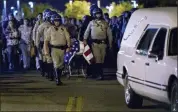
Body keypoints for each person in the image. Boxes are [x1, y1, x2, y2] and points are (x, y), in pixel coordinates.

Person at [83, 8, 113, 80]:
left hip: (103, 43)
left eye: (99, 13)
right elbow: (87, 32)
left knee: (102, 59)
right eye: (96, 13)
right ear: (94, 14)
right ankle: (100, 74)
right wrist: (85, 39)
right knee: (98, 58)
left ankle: (99, 73)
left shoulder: (105, 23)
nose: (98, 15)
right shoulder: (91, 23)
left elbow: (109, 34)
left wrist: (110, 43)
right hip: (95, 44)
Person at [44, 13, 71, 85]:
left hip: (62, 49)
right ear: (53, 21)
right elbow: (46, 41)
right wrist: (46, 52)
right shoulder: (50, 29)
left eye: (58, 21)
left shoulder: (63, 28)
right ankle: (57, 80)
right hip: (54, 49)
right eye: (55, 21)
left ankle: (58, 77)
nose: (57, 22)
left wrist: (68, 46)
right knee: (56, 64)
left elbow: (68, 38)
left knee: (61, 65)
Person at [36, 9, 53, 78]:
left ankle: (50, 73)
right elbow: (38, 34)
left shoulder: (54, 24)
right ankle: (45, 71)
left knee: (50, 59)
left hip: (52, 43)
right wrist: (37, 44)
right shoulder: (43, 25)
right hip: (43, 43)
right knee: (44, 58)